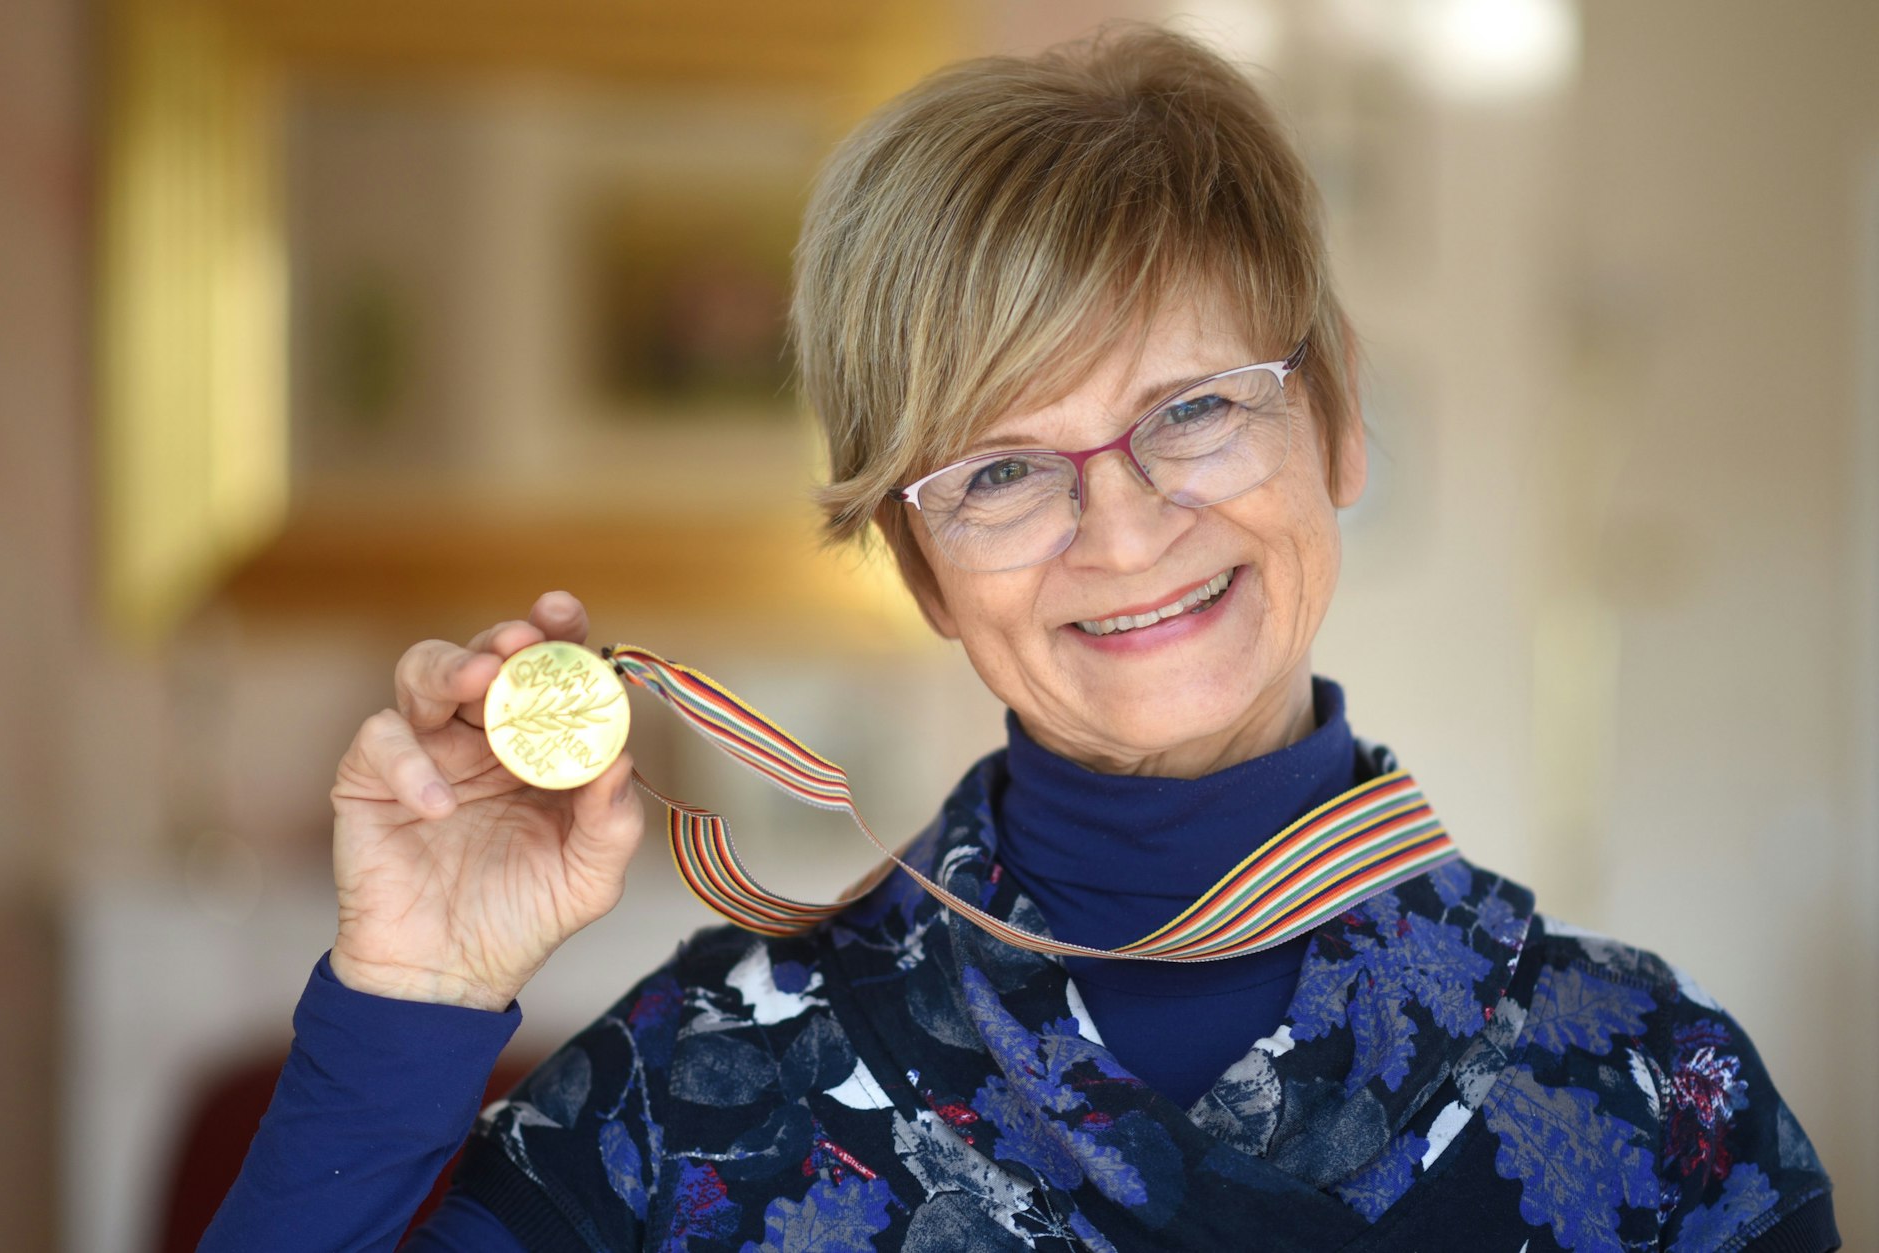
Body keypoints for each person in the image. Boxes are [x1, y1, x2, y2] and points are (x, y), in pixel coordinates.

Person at [204, 27, 1838, 1252]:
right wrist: (411, 990)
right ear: (919, 566)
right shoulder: (704, 1080)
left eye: (1193, 408)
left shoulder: (1659, 1093)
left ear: (1336, 418)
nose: (1121, 529)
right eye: (999, 471)